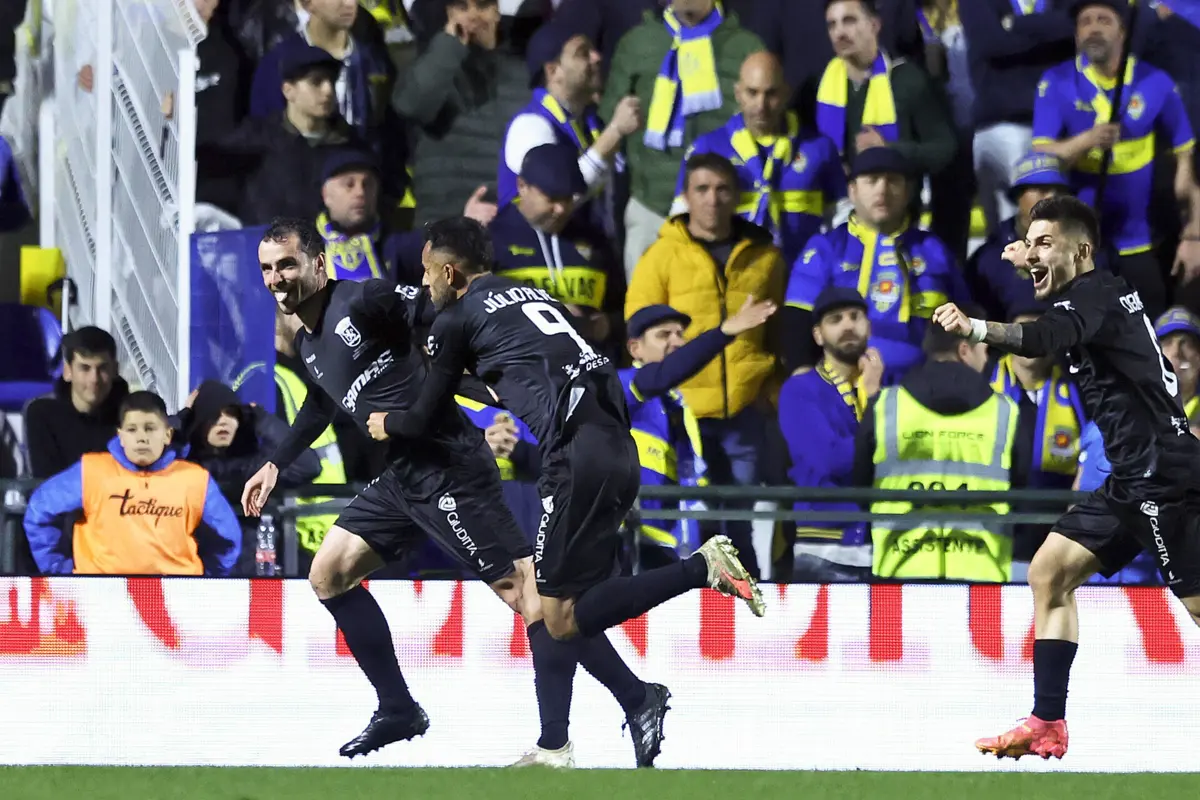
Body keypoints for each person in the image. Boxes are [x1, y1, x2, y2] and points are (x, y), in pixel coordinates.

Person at [239, 218, 667, 767]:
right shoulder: (307, 339)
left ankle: (625, 704)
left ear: (319, 263)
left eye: (287, 264)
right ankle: (398, 708)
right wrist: (276, 461)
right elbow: (324, 402)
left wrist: (476, 372)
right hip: (401, 477)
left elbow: (441, 309)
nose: (276, 277)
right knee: (329, 573)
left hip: (449, 468)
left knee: (530, 599)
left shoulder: (366, 298)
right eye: (268, 268)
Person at [378, 216, 767, 645]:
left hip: (574, 459)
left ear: (448, 272)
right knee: (564, 607)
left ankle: (700, 569)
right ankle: (625, 700)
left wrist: (386, 421)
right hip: (616, 454)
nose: (425, 281)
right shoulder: (536, 301)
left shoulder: (456, 320)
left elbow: (419, 418)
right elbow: (511, 389)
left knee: (555, 617)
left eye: (427, 271)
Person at [932, 195, 1200, 760]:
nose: (1033, 254)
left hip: (1161, 475)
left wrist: (975, 326)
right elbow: (1057, 295)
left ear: (1082, 250)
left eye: (1045, 243)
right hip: (1132, 476)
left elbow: (1044, 340)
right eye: (1030, 243)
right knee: (1050, 571)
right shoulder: (1098, 289)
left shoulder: (1090, 296)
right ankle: (1047, 721)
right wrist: (1030, 255)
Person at [1031, 0, 1200, 320]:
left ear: (1123, 32)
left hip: (1142, 242)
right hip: (1084, 243)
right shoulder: (1056, 82)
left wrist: (1193, 235)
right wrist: (1087, 140)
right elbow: (1040, 156)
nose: (1094, 28)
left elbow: (1187, 163)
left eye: (1104, 20)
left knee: (1147, 332)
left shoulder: (1155, 82)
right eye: (1085, 22)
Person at [622, 296, 777, 566]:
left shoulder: (678, 405)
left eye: (681, 335)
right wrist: (724, 332)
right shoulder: (621, 387)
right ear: (635, 348)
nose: (677, 342)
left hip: (674, 545)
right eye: (664, 335)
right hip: (633, 541)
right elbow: (664, 374)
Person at [23, 391, 242, 576]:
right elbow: (39, 511)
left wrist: (208, 582)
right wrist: (58, 571)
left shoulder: (195, 479)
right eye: (132, 429)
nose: (141, 438)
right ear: (120, 435)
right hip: (100, 598)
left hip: (175, 600)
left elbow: (229, 539)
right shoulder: (92, 470)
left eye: (150, 428)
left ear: (167, 434)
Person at [673, 51, 845, 266]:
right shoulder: (707, 148)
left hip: (802, 278)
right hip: (731, 278)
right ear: (737, 93)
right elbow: (679, 226)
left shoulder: (820, 148)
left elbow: (843, 222)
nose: (761, 105)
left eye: (770, 94)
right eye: (752, 93)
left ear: (786, 94)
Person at [777, 286, 881, 582]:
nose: (848, 325)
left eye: (855, 317)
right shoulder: (801, 390)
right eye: (835, 319)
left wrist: (873, 396)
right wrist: (873, 405)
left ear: (869, 327)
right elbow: (828, 460)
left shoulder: (887, 390)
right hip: (823, 548)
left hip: (882, 547)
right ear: (818, 335)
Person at [24, 326, 130, 479]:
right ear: (68, 371)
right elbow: (47, 484)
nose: (94, 379)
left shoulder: (132, 416)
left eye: (102, 368)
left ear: (115, 370)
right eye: (85, 368)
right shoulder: (42, 414)